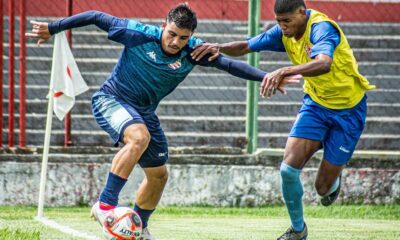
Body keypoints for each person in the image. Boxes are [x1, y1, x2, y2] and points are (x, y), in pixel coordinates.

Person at [26, 4, 301, 240]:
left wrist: (267, 76)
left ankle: (139, 228)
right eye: (171, 34)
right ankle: (105, 205)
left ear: (190, 36)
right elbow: (97, 16)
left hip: (144, 111)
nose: (175, 42)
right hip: (112, 100)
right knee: (138, 137)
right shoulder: (138, 34)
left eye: (183, 37)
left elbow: (229, 65)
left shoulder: (193, 50)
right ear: (163, 26)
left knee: (159, 176)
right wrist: (54, 27)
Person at [191, 0, 375, 239]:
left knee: (322, 190)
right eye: (279, 21)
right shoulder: (283, 31)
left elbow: (324, 63)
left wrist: (283, 71)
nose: (282, 27)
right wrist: (219, 47)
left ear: (302, 12)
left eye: (287, 21)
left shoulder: (322, 28)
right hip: (316, 106)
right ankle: (298, 231)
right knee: (288, 170)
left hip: (349, 112)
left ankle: (333, 173)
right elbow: (247, 46)